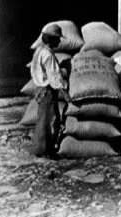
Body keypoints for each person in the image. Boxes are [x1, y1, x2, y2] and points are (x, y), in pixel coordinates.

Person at [29, 24, 69, 158]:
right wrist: (65, 93)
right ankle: (44, 152)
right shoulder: (48, 54)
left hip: (40, 90)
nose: (59, 41)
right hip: (47, 91)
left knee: (43, 120)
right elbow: (55, 77)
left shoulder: (39, 51)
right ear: (50, 39)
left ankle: (41, 149)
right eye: (57, 39)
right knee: (50, 122)